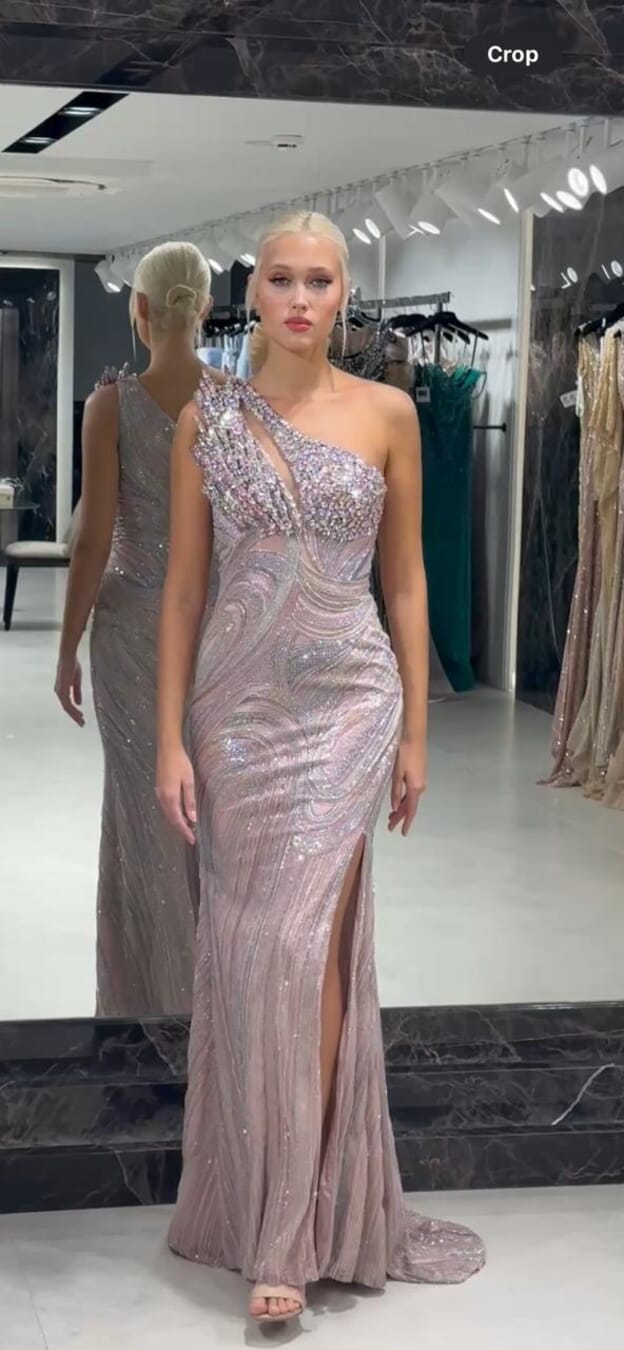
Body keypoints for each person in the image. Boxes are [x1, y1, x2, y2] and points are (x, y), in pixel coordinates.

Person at [156, 210, 485, 1324]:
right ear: (255, 293)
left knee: (307, 952)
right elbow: (184, 591)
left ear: (346, 294)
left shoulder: (389, 412)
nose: (300, 300)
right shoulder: (207, 419)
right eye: (282, 280)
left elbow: (406, 580)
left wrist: (417, 733)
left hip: (348, 705)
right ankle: (256, 1186)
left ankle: (291, 1234)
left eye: (321, 282)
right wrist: (168, 738)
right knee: (247, 953)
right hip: (236, 713)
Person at [55, 241, 219, 1016]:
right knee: (207, 807)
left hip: (129, 633)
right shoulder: (235, 402)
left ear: (140, 310)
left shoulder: (112, 406)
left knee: (140, 809)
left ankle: (146, 1001)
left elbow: (93, 538)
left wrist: (65, 648)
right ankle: (209, 997)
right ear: (206, 309)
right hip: (211, 627)